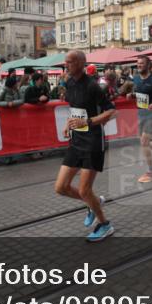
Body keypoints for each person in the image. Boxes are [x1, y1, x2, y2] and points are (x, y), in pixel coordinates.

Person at [55, 50, 117, 242]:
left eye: (70, 62)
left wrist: (89, 122)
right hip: (77, 141)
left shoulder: (93, 86)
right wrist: (68, 124)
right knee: (61, 187)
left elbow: (111, 111)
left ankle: (105, 225)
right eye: (65, 62)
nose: (66, 65)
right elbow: (75, 109)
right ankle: (94, 202)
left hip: (93, 141)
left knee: (84, 190)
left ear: (82, 63)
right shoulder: (69, 82)